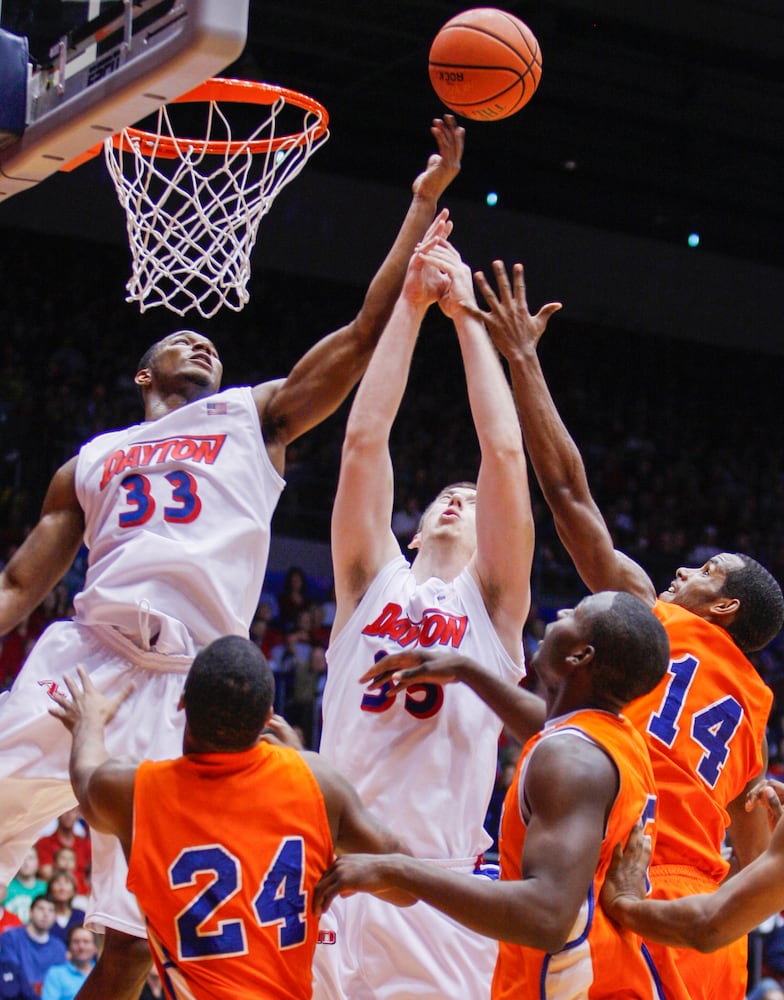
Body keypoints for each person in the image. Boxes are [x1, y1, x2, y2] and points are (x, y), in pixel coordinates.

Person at [0, 116, 464, 1000]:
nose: (200, 343)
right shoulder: (88, 461)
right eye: (177, 342)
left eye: (207, 341)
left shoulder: (255, 419)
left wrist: (420, 205)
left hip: (187, 683)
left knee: (134, 938)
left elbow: (362, 336)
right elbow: (22, 584)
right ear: (143, 376)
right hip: (82, 663)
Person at [471, 258, 784, 999]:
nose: (681, 574)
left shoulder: (650, 620)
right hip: (709, 929)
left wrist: (523, 360)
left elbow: (568, 493)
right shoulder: (754, 717)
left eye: (705, 573)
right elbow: (757, 856)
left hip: (624, 886)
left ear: (725, 607)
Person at [313, 229, 535, 998]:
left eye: (471, 502)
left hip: (437, 888)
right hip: (329, 869)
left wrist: (468, 318)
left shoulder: (493, 604)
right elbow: (363, 442)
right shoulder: (368, 583)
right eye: (446, 494)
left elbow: (505, 457)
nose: (457, 498)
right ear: (412, 525)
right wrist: (408, 306)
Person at [314, 591, 688, 998]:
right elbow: (548, 729)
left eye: (574, 614)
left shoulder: (570, 760)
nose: (559, 613)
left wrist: (397, 869)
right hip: (610, 971)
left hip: (575, 986)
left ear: (580, 655)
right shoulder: (614, 737)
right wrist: (466, 670)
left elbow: (546, 918)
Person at [48, 635, 413, 1000]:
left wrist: (89, 724)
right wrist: (301, 762)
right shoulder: (318, 783)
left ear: (182, 702)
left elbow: (86, 776)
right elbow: (408, 883)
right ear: (267, 718)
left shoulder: (134, 792)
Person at [0, 896, 67, 996]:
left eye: (51, 910)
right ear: (30, 913)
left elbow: (59, 982)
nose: (46, 914)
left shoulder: (59, 947)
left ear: (55, 917)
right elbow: (10, 974)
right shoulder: (10, 937)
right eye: (41, 909)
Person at [40, 926, 97, 1000]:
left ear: (95, 947)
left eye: (86, 942)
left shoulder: (103, 975)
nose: (81, 947)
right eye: (76, 942)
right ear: (69, 946)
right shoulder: (56, 974)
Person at [4, 852, 46, 925]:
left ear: (38, 862)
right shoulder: (4, 887)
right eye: (22, 858)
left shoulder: (46, 887)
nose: (26, 863)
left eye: (30, 858)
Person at [45, 872, 85, 946]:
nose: (62, 888)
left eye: (67, 882)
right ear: (50, 889)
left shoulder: (81, 916)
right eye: (57, 882)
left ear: (74, 890)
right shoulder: (45, 915)